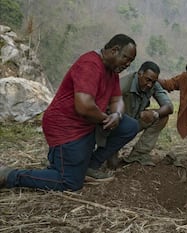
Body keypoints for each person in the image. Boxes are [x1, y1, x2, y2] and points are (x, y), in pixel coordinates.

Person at [0, 34, 139, 191]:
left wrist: (117, 115)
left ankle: (90, 166)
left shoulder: (112, 72)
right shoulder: (90, 64)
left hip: (88, 125)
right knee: (69, 182)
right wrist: (106, 119)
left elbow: (117, 100)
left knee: (129, 126)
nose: (128, 64)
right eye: (126, 58)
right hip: (65, 127)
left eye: (130, 62)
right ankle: (9, 175)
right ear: (114, 50)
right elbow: (84, 107)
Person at [107, 61, 173, 167]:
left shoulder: (153, 85)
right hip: (118, 125)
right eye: (148, 80)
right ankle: (111, 149)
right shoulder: (123, 86)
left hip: (136, 120)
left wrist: (154, 113)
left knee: (162, 116)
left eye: (153, 81)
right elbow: (106, 113)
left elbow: (169, 107)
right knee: (112, 165)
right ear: (139, 74)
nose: (149, 84)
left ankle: (138, 154)